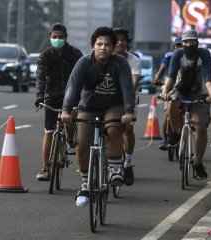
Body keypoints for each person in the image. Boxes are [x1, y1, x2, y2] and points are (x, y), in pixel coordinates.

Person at [61, 26, 135, 207]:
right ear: (92, 46)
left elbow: (127, 88)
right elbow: (73, 88)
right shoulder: (84, 63)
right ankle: (86, 183)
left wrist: (128, 112)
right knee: (81, 143)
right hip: (89, 107)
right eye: (99, 44)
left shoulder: (120, 63)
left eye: (107, 45)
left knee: (114, 129)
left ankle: (116, 168)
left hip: (113, 105)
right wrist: (66, 110)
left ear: (113, 47)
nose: (103, 48)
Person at [160, 29, 211, 180]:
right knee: (172, 103)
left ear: (197, 43)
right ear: (181, 43)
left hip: (200, 92)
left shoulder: (204, 54)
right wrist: (165, 91)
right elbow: (171, 76)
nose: (188, 44)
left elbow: (207, 76)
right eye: (185, 42)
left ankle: (198, 163)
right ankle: (177, 132)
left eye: (192, 41)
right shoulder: (178, 54)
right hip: (181, 89)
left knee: (201, 127)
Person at [34, 23, 83, 181]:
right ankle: (45, 168)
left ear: (65, 38)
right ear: (50, 37)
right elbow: (41, 76)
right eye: (54, 37)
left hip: (71, 96)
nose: (57, 39)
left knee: (70, 121)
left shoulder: (75, 54)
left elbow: (82, 75)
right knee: (49, 133)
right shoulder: (45, 56)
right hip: (51, 96)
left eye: (60, 37)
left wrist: (81, 96)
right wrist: (40, 96)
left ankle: (70, 140)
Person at [113, 28, 141, 186]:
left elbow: (133, 84)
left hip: (128, 99)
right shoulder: (105, 58)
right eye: (116, 40)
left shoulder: (134, 60)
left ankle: (127, 164)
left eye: (123, 40)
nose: (120, 43)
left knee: (127, 129)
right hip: (107, 99)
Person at [152, 36, 183, 150]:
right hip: (171, 85)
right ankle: (165, 139)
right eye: (178, 45)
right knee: (168, 113)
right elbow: (162, 68)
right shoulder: (169, 55)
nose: (180, 47)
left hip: (186, 86)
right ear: (175, 46)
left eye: (182, 45)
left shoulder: (191, 56)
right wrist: (156, 78)